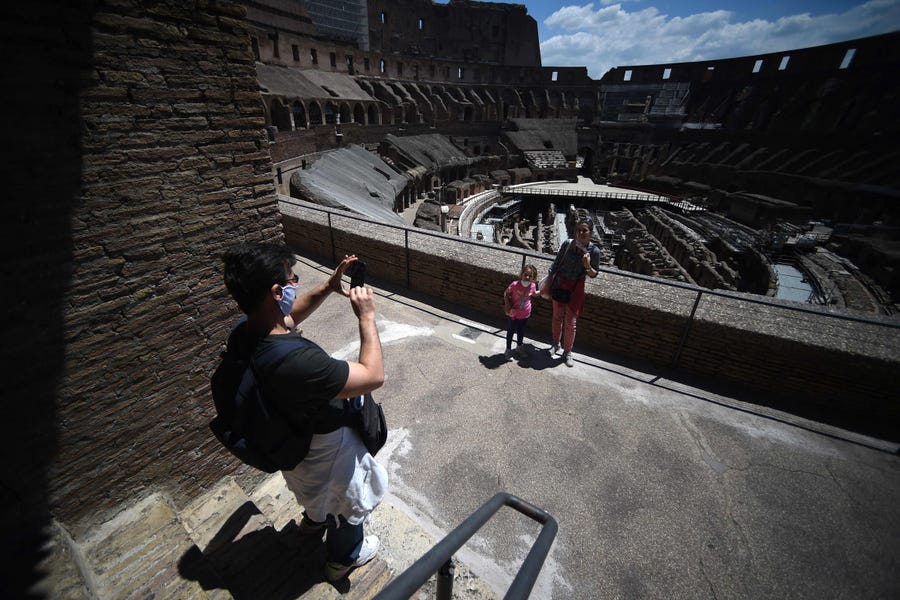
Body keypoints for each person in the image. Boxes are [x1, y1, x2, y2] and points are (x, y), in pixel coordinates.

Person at [222, 242, 387, 582]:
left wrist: (328, 286)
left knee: (314, 495)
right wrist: (367, 317)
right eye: (292, 279)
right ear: (275, 291)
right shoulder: (298, 362)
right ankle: (344, 558)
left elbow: (288, 316)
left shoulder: (245, 332)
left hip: (293, 447)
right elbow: (373, 376)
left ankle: (311, 526)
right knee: (346, 506)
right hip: (329, 451)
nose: (296, 284)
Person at [541, 218, 601, 367]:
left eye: (585, 230)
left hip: (576, 289)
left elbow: (594, 274)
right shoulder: (568, 244)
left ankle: (567, 352)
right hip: (560, 284)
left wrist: (587, 265)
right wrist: (549, 280)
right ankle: (555, 345)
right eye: (579, 230)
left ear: (591, 233)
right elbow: (556, 262)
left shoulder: (594, 251)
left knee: (570, 323)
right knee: (557, 318)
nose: (581, 233)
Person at [503, 264, 539, 359]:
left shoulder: (533, 286)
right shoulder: (515, 285)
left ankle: (519, 347)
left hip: (525, 314)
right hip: (513, 314)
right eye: (525, 274)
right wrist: (507, 306)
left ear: (533, 278)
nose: (527, 277)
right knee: (510, 331)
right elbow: (506, 293)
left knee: (521, 331)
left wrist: (543, 291)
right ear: (521, 274)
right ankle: (508, 349)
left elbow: (534, 293)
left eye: (530, 276)